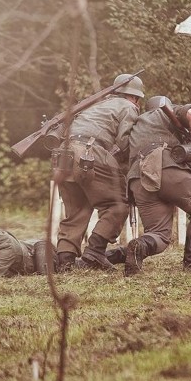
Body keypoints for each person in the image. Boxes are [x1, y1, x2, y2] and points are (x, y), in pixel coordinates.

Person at [53, 73, 143, 271]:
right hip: (89, 153)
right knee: (117, 205)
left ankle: (65, 261)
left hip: (63, 155)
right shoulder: (128, 107)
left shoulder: (94, 105)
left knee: (76, 210)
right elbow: (124, 142)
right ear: (134, 97)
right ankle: (94, 252)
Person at [124, 95, 191, 276]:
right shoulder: (167, 112)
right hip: (167, 167)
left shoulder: (136, 125)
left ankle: (139, 246)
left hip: (138, 179)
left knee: (159, 235)